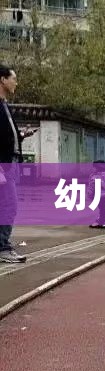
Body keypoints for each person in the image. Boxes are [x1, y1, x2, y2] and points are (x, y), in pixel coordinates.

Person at [0, 65, 28, 263]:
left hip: (11, 162)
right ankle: (3, 248)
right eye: (13, 78)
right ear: (2, 80)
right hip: (3, 165)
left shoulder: (4, 105)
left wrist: (21, 136)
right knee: (9, 206)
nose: (16, 82)